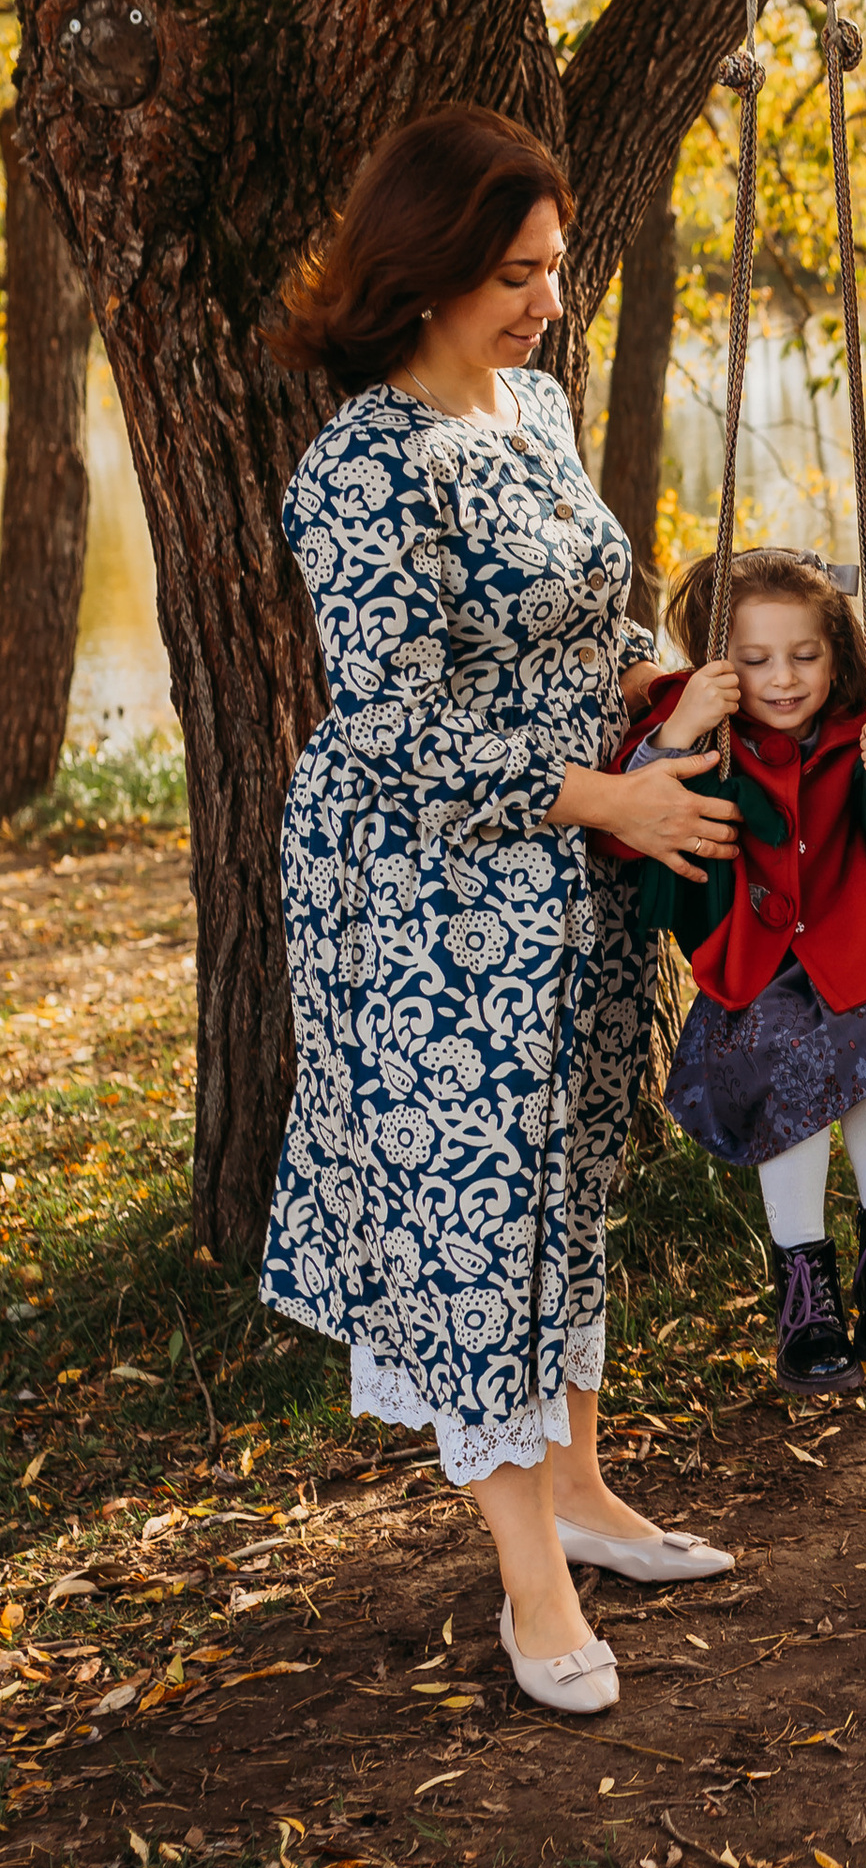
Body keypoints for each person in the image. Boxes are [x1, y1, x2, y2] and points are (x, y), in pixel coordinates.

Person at [261, 106, 741, 1726]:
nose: (552, 300)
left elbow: (585, 616)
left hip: (573, 874)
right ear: (434, 270)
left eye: (554, 268)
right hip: (420, 898)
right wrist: (610, 797)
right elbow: (395, 730)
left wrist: (663, 684)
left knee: (568, 1183)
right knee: (476, 1223)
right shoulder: (357, 471)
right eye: (523, 274)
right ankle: (533, 1584)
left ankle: (590, 1499)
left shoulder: (531, 408)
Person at [608, 546, 866, 1385]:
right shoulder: (705, 734)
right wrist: (678, 729)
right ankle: (803, 1283)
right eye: (755, 660)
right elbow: (624, 824)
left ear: (837, 656)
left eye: (805, 656)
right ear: (719, 666)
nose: (782, 678)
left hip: (854, 949)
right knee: (782, 1064)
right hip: (753, 963)